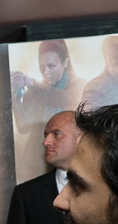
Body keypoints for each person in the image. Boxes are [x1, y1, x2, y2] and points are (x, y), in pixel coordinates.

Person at [11, 40, 86, 180]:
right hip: (35, 161)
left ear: (65, 63)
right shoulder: (33, 91)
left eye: (51, 66)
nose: (46, 72)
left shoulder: (78, 85)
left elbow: (66, 99)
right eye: (42, 67)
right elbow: (23, 127)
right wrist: (15, 95)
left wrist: (33, 83)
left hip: (68, 162)